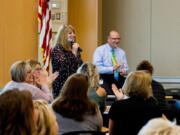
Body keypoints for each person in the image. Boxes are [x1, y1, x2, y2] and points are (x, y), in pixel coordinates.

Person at [51, 25, 83, 98]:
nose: (73, 35)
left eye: (73, 33)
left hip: (74, 85)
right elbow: (64, 66)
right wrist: (74, 53)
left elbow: (80, 65)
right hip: (62, 86)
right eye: (70, 33)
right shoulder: (57, 49)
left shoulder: (73, 49)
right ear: (63, 35)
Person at [93, 30, 128, 95]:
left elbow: (125, 68)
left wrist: (124, 71)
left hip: (118, 78)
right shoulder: (100, 50)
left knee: (123, 94)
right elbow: (97, 68)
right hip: (104, 78)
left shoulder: (122, 52)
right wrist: (112, 68)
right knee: (108, 96)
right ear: (108, 39)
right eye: (114, 39)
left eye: (118, 39)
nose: (117, 41)